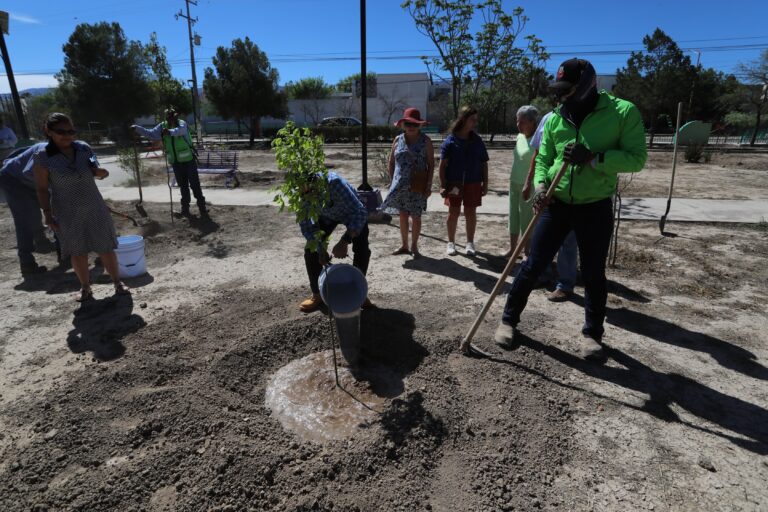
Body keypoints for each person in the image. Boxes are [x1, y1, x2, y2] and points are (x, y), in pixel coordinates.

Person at [495, 58, 647, 360]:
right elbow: (542, 159)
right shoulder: (552, 119)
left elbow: (636, 158)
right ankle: (508, 321)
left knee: (592, 272)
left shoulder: (621, 112)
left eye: (567, 89)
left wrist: (594, 158)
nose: (561, 95)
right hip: (557, 204)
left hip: (595, 207)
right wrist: (540, 187)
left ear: (588, 84)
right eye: (559, 89)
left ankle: (593, 335)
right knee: (533, 265)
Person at [32, 113, 130, 301]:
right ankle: (85, 287)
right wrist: (47, 214)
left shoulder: (83, 148)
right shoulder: (42, 157)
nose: (67, 135)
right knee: (77, 251)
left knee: (105, 247)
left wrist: (101, 173)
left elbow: (96, 169)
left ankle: (118, 282)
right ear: (48, 132)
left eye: (71, 131)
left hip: (95, 207)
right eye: (61, 132)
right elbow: (42, 189)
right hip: (67, 211)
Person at [299, 171, 373, 313]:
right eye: (304, 194)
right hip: (326, 217)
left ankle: (359, 292)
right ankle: (317, 294)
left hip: (350, 213)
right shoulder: (301, 194)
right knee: (311, 250)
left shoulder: (335, 184)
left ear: (318, 186)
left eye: (311, 193)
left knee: (362, 247)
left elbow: (361, 212)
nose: (307, 197)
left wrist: (344, 240)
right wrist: (320, 249)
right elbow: (307, 226)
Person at [527, 111, 580, 302]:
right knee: (541, 239)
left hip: (573, 194)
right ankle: (542, 274)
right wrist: (537, 185)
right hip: (548, 192)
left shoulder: (587, 118)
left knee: (568, 241)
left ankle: (565, 284)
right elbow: (539, 154)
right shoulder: (550, 118)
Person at [132, 108, 208, 219]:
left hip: (188, 161)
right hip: (175, 163)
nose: (172, 118)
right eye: (170, 116)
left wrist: (170, 132)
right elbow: (152, 134)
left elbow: (181, 131)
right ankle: (185, 210)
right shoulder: (162, 126)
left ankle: (203, 210)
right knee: (183, 187)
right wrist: (137, 128)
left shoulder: (181, 123)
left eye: (174, 116)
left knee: (195, 185)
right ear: (167, 117)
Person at [381, 108, 435, 257]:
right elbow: (391, 162)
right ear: (403, 124)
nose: (411, 127)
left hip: (418, 185)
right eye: (408, 123)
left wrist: (429, 185)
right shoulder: (398, 140)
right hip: (400, 186)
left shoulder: (426, 141)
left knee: (416, 216)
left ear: (420, 126)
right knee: (403, 215)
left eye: (415, 124)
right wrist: (393, 182)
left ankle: (414, 247)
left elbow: (431, 164)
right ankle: (404, 245)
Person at [439, 106, 489, 256]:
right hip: (454, 183)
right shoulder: (450, 140)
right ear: (463, 120)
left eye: (476, 120)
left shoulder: (477, 140)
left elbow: (483, 163)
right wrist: (442, 185)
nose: (475, 123)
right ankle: (451, 243)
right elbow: (442, 166)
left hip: (473, 182)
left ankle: (470, 243)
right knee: (453, 212)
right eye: (472, 119)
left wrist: (485, 183)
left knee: (470, 213)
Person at [0, 143, 55, 275]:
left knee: (49, 212)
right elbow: (35, 178)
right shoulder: (46, 153)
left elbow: (92, 160)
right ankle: (27, 263)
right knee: (25, 220)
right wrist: (47, 198)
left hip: (30, 179)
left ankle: (45, 244)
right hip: (13, 179)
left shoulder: (83, 151)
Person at [505, 105, 539, 259]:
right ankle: (513, 249)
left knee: (526, 218)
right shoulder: (519, 137)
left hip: (529, 185)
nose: (518, 125)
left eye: (522, 122)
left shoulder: (538, 139)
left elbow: (538, 162)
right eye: (517, 121)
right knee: (513, 216)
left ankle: (527, 252)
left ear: (532, 122)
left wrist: (529, 182)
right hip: (514, 182)